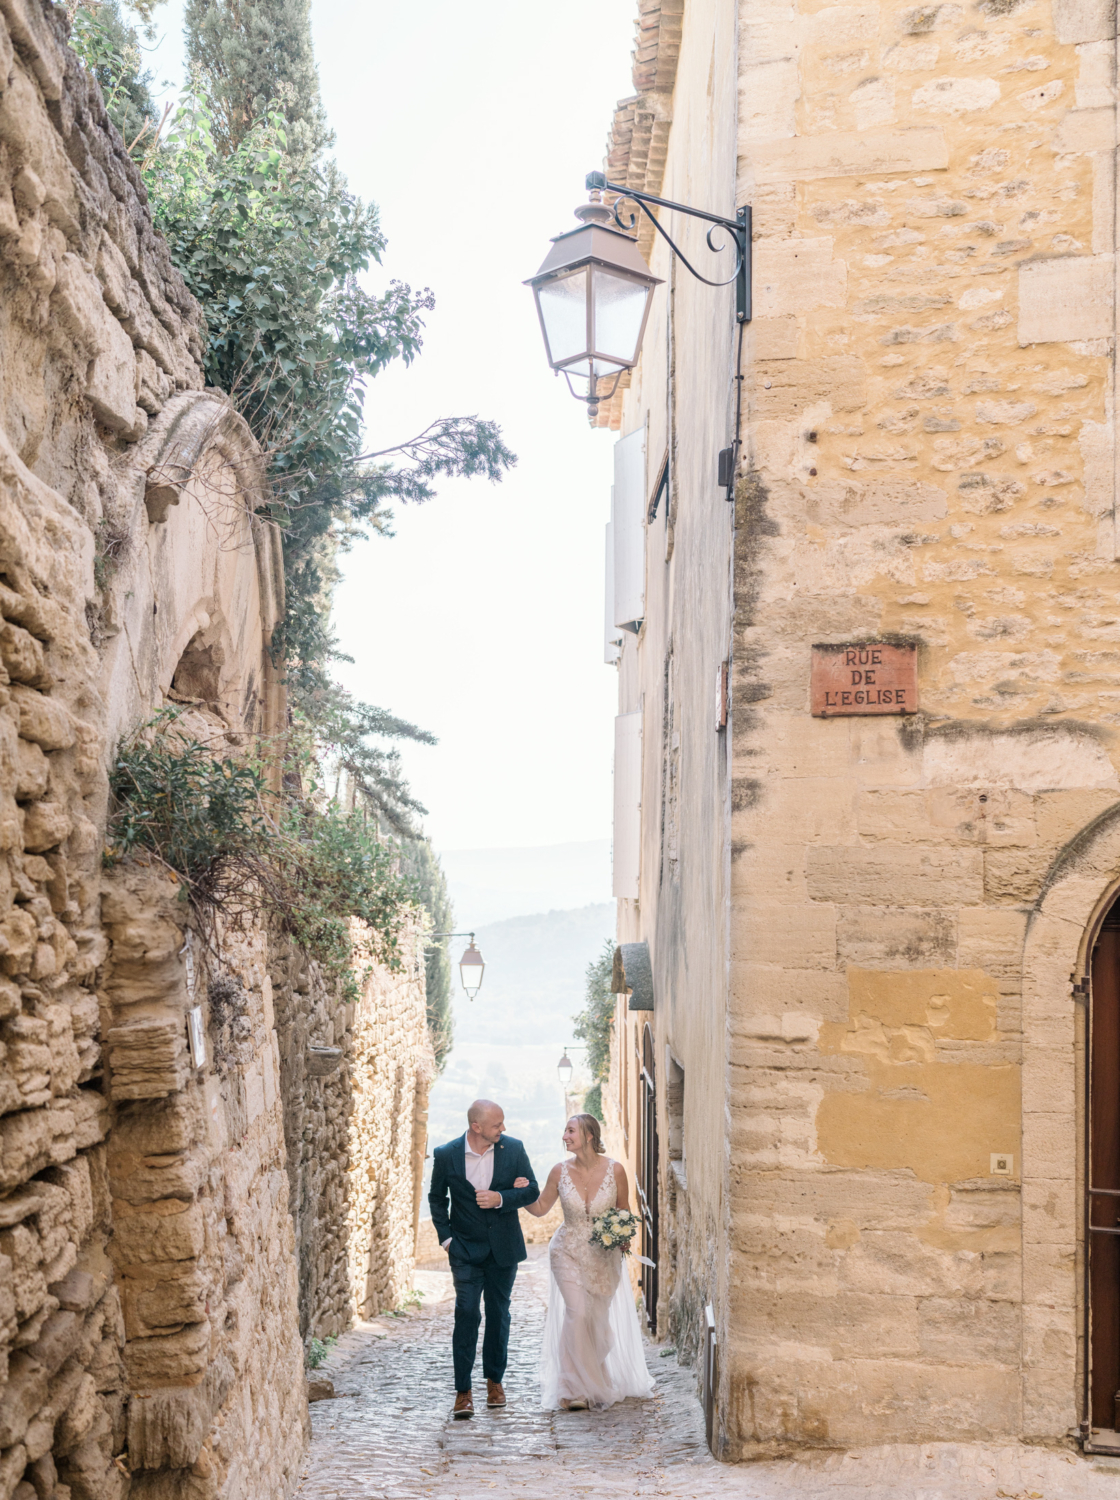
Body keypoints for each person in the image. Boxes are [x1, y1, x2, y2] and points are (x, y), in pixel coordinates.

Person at [518, 1113, 655, 1411]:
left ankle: (593, 1377)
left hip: (603, 1257)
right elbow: (541, 1207)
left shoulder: (615, 1170)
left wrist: (622, 1236)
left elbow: (624, 1212)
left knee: (597, 1324)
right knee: (577, 1312)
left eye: (570, 1131)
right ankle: (571, 1389)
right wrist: (521, 1193)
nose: (564, 1136)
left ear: (589, 1135)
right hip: (566, 1250)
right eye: (564, 1131)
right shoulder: (559, 1171)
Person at [428, 1099, 539, 1419]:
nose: (503, 1129)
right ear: (476, 1127)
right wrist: (446, 1239)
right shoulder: (446, 1154)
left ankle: (495, 1382)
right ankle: (463, 1391)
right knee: (466, 1312)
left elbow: (532, 1190)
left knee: (498, 1313)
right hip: (464, 1250)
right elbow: (437, 1199)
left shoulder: (514, 1149)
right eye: (496, 1125)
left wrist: (502, 1197)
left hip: (504, 1249)